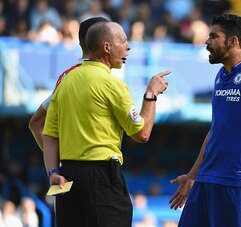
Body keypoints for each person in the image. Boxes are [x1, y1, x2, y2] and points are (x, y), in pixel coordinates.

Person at [42, 21, 170, 227]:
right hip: (101, 177)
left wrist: (53, 172)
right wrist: (151, 94)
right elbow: (142, 134)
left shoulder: (66, 80)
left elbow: (49, 134)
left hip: (66, 177)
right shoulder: (112, 84)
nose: (128, 47)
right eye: (123, 40)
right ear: (107, 47)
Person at [169, 14, 241, 227]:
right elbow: (216, 130)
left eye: (214, 36)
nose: (207, 42)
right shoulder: (221, 76)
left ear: (233, 41)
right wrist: (192, 175)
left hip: (240, 181)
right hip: (206, 180)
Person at [28, 16, 109, 151]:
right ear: (104, 44)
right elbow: (142, 134)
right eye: (115, 37)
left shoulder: (68, 76)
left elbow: (35, 123)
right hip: (89, 168)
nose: (126, 46)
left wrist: (56, 165)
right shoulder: (72, 78)